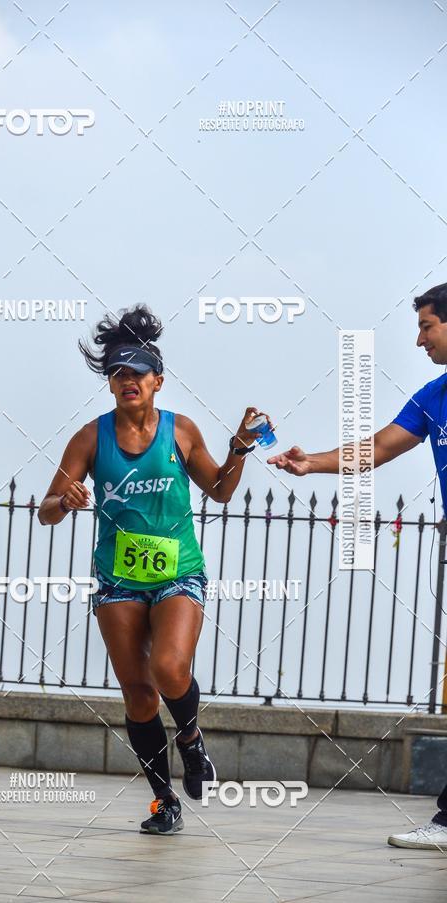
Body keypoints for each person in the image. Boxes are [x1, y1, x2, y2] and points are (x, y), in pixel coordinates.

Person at [38, 304, 272, 835]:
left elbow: (219, 490)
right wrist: (66, 499)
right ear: (111, 385)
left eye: (137, 372)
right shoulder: (90, 438)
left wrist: (239, 447)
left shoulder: (180, 430)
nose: (127, 380)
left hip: (177, 574)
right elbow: (46, 510)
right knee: (139, 694)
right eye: (117, 373)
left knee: (170, 669)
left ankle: (190, 738)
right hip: (118, 581)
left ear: (157, 380)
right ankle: (164, 800)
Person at [267, 282, 447, 852]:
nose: (419, 339)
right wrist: (311, 463)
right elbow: (379, 448)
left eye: (427, 327)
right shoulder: (433, 395)